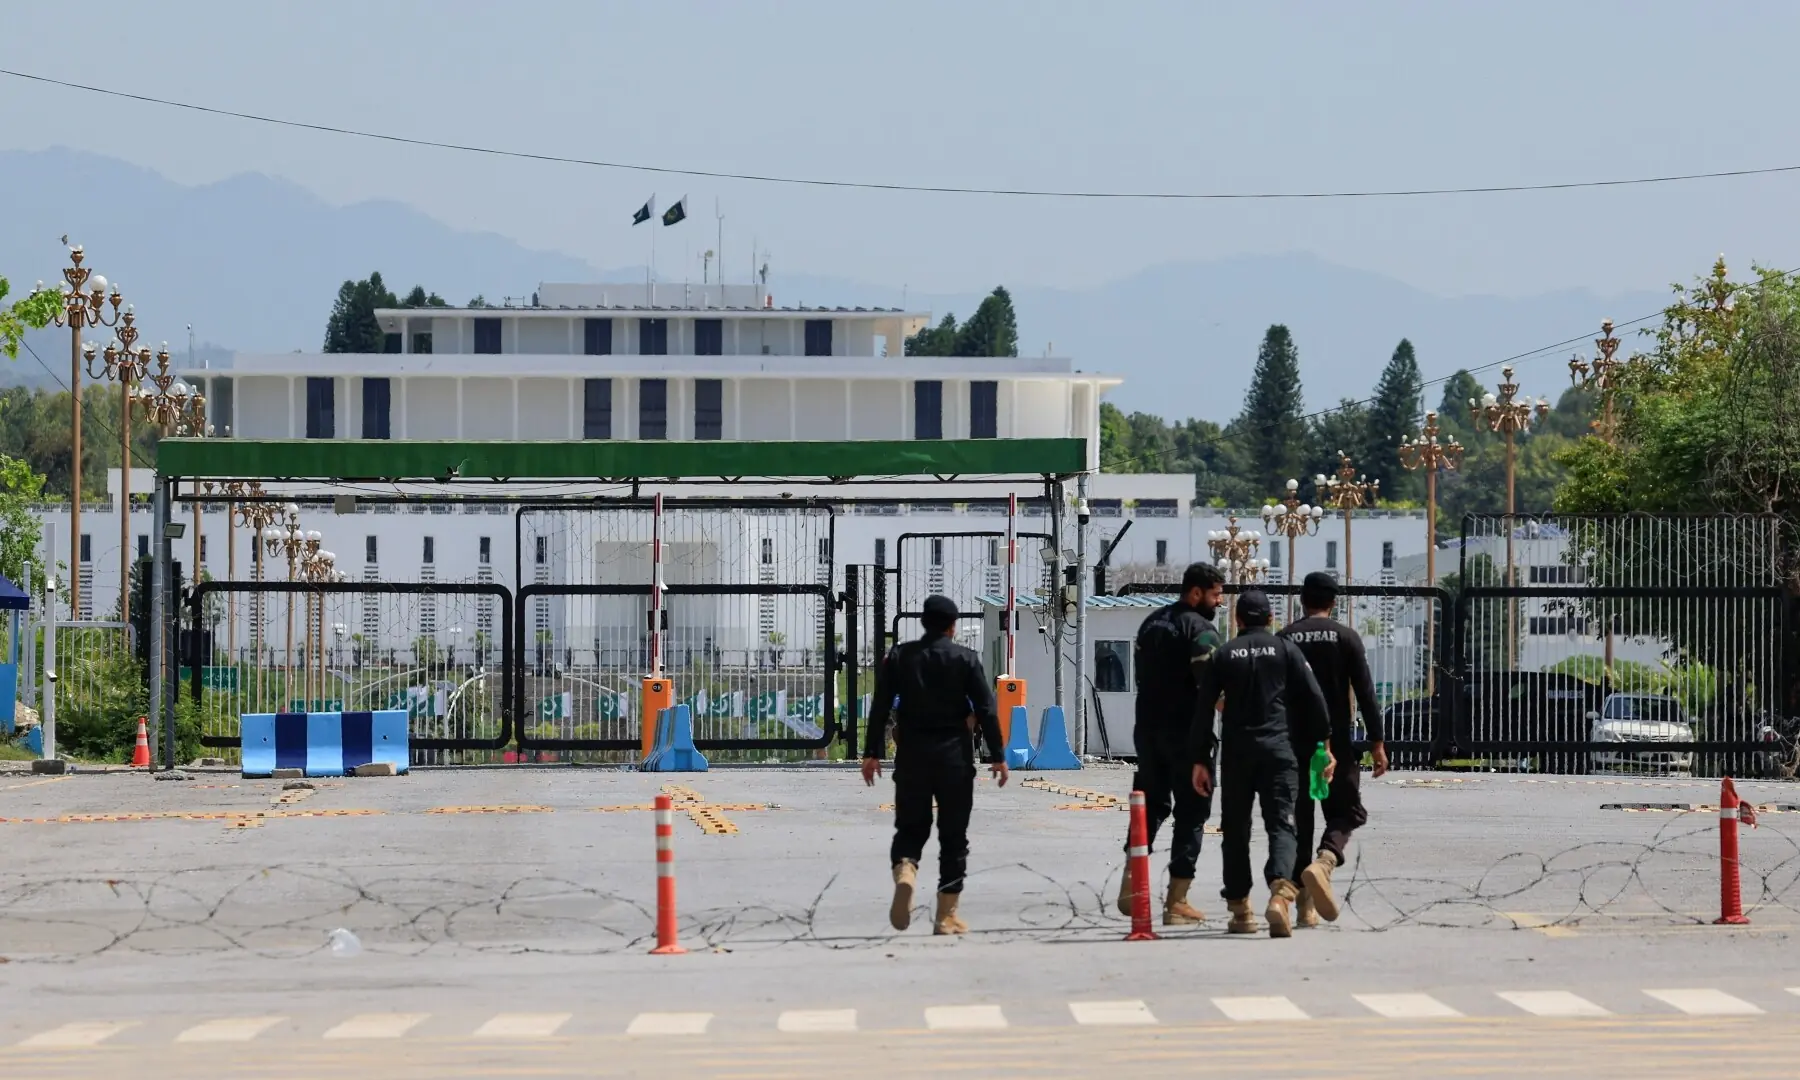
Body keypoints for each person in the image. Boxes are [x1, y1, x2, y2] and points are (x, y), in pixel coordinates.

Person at [1188, 588, 1332, 938]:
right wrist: (1323, 746)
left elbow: (1203, 709)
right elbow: (1315, 701)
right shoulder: (1286, 650)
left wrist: (1200, 759)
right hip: (1278, 752)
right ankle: (1281, 895)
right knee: (1283, 824)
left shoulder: (1223, 655)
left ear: (1237, 620)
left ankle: (1240, 910)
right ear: (1271, 619)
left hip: (1238, 754)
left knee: (1235, 831)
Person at [863, 595, 1009, 935]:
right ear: (952, 626)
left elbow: (881, 707)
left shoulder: (901, 657)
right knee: (954, 837)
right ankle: (946, 915)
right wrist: (999, 756)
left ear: (923, 623)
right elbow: (986, 708)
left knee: (911, 828)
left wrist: (871, 753)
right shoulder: (966, 659)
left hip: (912, 756)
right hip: (954, 759)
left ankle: (906, 872)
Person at [1117, 562, 1225, 925]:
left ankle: (1131, 886)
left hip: (1147, 731)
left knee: (1149, 804)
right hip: (1187, 735)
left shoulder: (1151, 624)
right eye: (1215, 594)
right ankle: (1176, 900)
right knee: (1193, 812)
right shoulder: (1201, 630)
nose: (1219, 602)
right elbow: (1214, 690)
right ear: (1196, 593)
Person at [1279, 571, 1387, 927]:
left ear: (1302, 600)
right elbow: (1366, 693)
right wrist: (1377, 742)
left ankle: (1304, 906)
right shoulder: (1346, 637)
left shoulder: (1286, 638)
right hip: (1337, 743)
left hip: (1294, 741)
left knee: (1300, 821)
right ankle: (1325, 861)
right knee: (1346, 811)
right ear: (1333, 602)